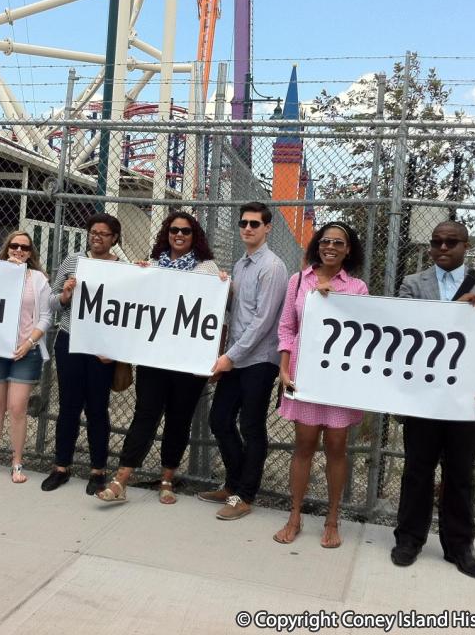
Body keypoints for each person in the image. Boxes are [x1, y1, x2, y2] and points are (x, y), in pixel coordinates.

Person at [391, 220, 475, 579]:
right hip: (423, 397)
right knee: (417, 469)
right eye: (436, 243)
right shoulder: (413, 284)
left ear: (466, 245)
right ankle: (409, 539)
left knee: (460, 473)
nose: (442, 248)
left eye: (451, 242)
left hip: (469, 399)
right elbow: (402, 325)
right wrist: (453, 312)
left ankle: (460, 545)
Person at [97, 211, 223, 504]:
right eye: (174, 230)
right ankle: (122, 478)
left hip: (187, 361)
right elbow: (132, 307)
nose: (179, 235)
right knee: (145, 415)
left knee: (179, 420)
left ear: (195, 237)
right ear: (167, 233)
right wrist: (136, 276)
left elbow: (219, 314)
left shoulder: (207, 270)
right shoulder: (152, 265)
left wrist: (224, 286)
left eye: (186, 231)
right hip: (154, 358)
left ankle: (167, 479)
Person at [273, 222, 368, 547]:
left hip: (339, 380)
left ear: (348, 249)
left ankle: (332, 519)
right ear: (317, 245)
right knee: (304, 445)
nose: (330, 247)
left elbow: (363, 332)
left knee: (337, 448)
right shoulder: (299, 280)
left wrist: (333, 299)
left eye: (338, 243)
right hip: (305, 377)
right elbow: (287, 327)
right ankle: (295, 515)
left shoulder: (357, 288)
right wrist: (284, 369)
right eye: (325, 241)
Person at [200, 202, 289, 520]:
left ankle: (245, 494)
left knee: (251, 427)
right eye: (244, 223)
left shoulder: (273, 267)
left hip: (259, 360)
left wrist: (229, 357)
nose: (248, 228)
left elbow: (264, 321)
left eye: (255, 223)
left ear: (267, 228)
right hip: (236, 357)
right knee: (219, 420)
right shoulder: (241, 265)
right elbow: (237, 312)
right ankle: (234, 484)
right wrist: (224, 288)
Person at [41, 213, 124, 495]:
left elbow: (127, 314)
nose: (96, 237)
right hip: (70, 340)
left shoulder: (122, 269)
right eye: (93, 232)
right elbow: (51, 302)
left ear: (114, 238)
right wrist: (64, 295)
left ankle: (98, 470)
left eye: (103, 233)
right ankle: (61, 466)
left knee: (98, 408)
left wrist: (114, 348)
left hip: (101, 348)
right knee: (68, 405)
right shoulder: (73, 261)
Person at [0, 230, 53, 483]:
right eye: (14, 246)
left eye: (24, 248)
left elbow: (46, 316)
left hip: (25, 351)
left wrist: (30, 342)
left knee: (17, 408)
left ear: (30, 253)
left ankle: (17, 462)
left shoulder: (38, 278)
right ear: (7, 248)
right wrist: (3, 274)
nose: (18, 251)